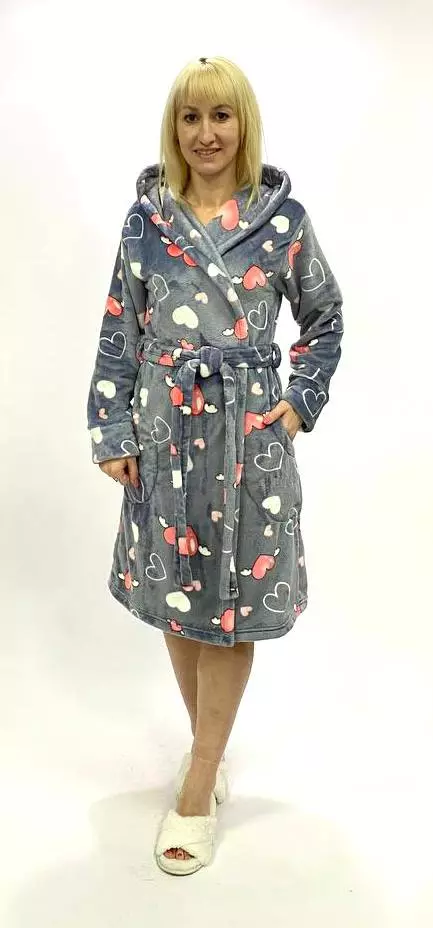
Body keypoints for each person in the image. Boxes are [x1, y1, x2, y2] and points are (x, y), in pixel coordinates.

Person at [87, 55, 344, 875]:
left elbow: (324, 316)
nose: (206, 133)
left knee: (231, 603)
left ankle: (198, 781)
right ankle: (211, 744)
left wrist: (298, 402)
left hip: (245, 437)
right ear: (175, 128)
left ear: (243, 124)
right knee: (176, 598)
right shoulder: (146, 221)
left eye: (220, 116)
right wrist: (113, 429)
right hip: (164, 429)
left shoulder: (282, 219)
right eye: (191, 117)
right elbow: (120, 327)